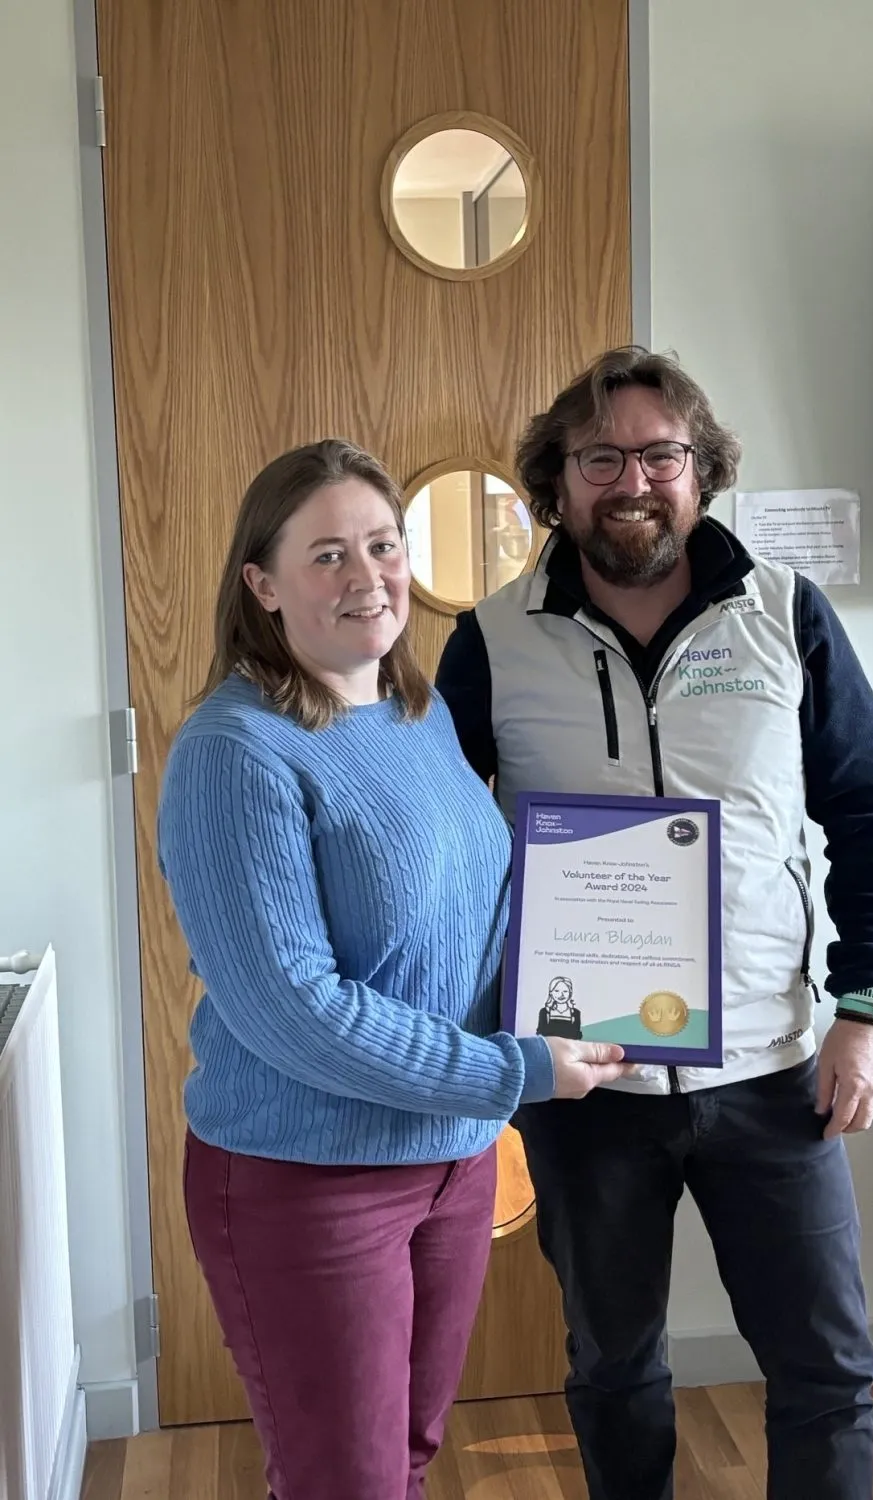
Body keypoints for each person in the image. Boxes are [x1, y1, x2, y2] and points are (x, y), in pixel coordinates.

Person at [436, 348, 873, 1500]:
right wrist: (481, 1044)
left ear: (702, 473)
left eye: (661, 453)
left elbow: (868, 810)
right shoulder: (490, 639)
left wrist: (866, 1007)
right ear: (556, 483)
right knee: (612, 1364)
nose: (632, 479)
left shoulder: (785, 615)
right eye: (599, 457)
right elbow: (445, 860)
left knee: (826, 1364)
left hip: (771, 1067)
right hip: (585, 1078)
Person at [157, 439, 628, 1500]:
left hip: (454, 1163)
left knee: (404, 1457)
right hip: (306, 1180)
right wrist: (514, 1073)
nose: (367, 576)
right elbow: (296, 1011)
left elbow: (477, 922)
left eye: (381, 545)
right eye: (327, 555)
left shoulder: (421, 716)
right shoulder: (235, 753)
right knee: (344, 1480)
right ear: (261, 583)